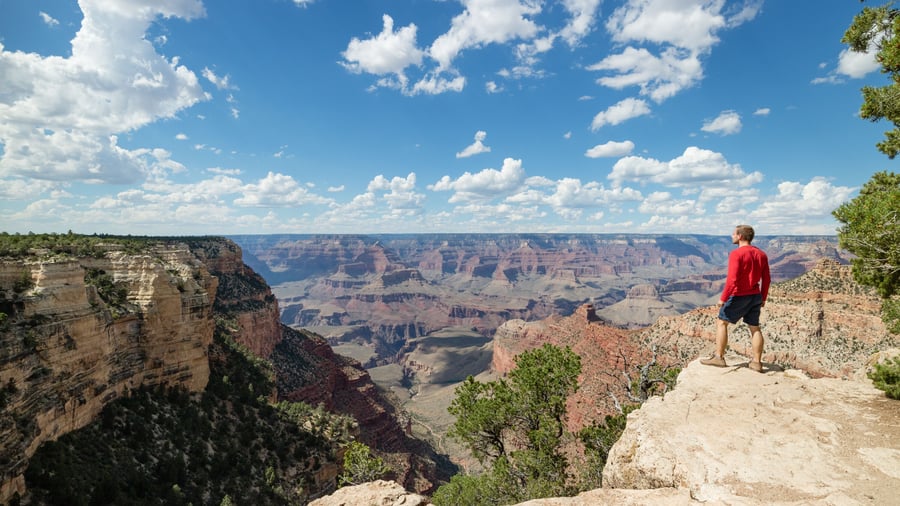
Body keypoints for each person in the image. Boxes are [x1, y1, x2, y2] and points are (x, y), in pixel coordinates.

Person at [701, 225, 770, 372]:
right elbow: (767, 279)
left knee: (721, 322)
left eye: (733, 234)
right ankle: (757, 362)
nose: (731, 236)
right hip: (755, 295)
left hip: (739, 295)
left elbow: (732, 279)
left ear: (740, 236)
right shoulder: (762, 254)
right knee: (754, 327)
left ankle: (719, 358)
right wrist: (763, 297)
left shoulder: (736, 254)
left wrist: (723, 298)